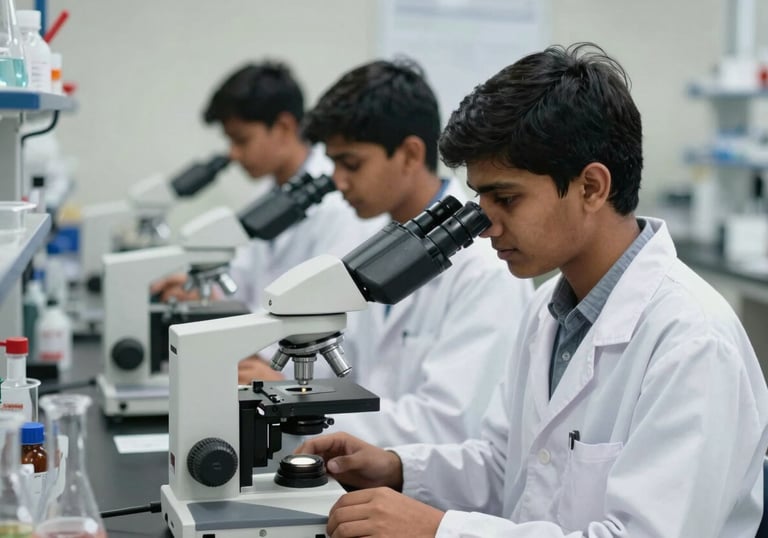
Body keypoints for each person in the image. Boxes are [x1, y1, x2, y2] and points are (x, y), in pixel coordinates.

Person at [298, 43, 768, 537]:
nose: (484, 226)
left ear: (591, 187)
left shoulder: (691, 340)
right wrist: (397, 467)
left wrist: (441, 530)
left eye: (506, 198)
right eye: (480, 199)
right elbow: (510, 466)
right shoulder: (550, 308)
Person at [241, 58, 533, 446]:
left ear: (410, 155)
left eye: (352, 164)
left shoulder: (484, 271)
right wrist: (275, 379)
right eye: (334, 164)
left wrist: (298, 402)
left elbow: (447, 425)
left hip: (422, 494)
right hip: (356, 472)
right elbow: (346, 368)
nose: (339, 181)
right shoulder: (366, 244)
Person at [151, 62, 382, 362]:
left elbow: (332, 322)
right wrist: (205, 293)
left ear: (284, 127)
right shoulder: (268, 193)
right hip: (262, 359)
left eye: (241, 139)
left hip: (298, 369)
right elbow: (248, 286)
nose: (233, 153)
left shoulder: (341, 207)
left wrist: (264, 363)